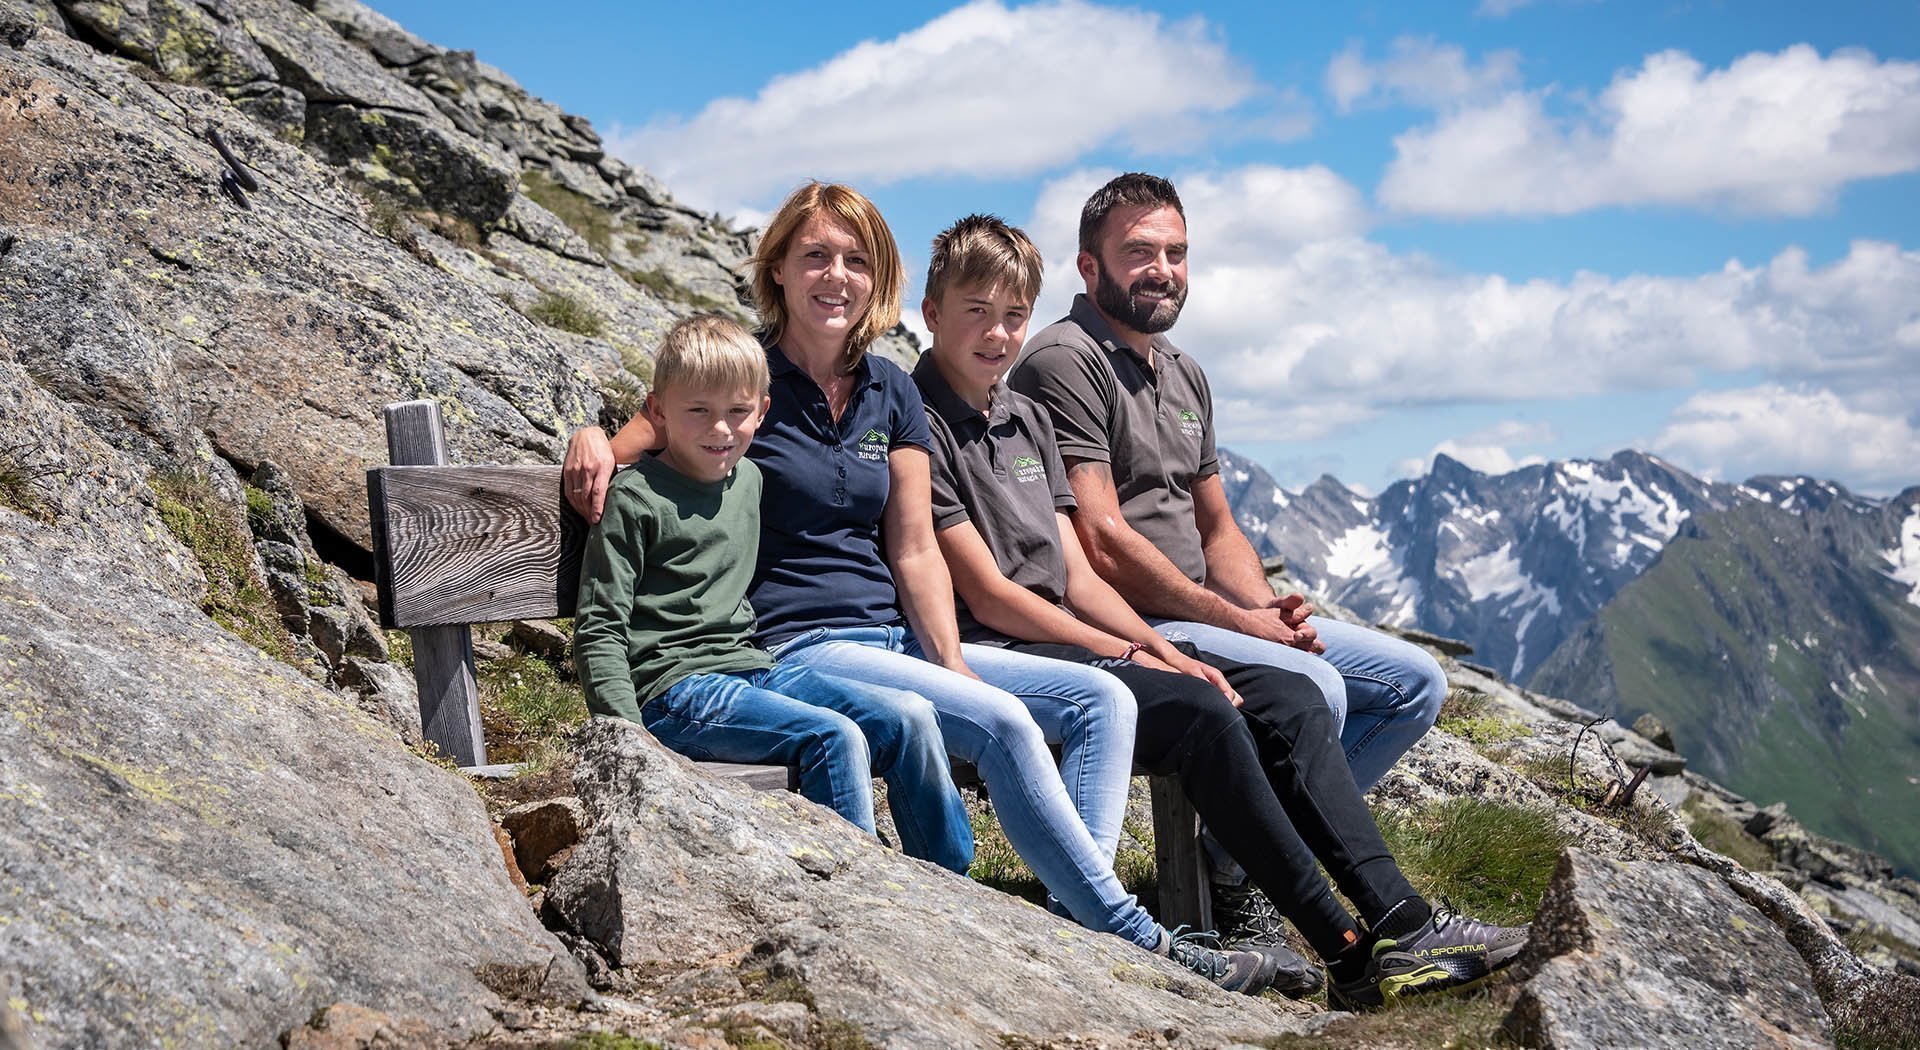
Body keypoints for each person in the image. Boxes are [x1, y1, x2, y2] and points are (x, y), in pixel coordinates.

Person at [564, 183, 1288, 995]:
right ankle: (1127, 937)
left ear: (879, 279)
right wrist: (599, 437)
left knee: (1102, 701)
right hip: (801, 645)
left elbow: (913, 549)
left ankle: (1072, 913)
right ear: (778, 271)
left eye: (856, 260)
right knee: (1007, 724)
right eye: (815, 257)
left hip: (896, 638)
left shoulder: (889, 391)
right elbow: (663, 427)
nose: (835, 277)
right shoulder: (747, 383)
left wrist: (948, 659)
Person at [914, 213, 1528, 1008]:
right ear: (931, 313)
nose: (998, 335)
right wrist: (1134, 651)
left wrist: (1153, 645)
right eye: (977, 314)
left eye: (1012, 316)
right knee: (1202, 706)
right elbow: (993, 594)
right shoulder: (916, 415)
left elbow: (1075, 570)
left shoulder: (1020, 415)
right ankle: (1348, 954)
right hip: (1009, 646)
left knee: (1293, 693)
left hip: (1081, 631)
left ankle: (1401, 923)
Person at [1010, 173, 1451, 940]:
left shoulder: (1184, 373)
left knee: (1416, 682)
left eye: (1177, 253)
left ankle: (1229, 857)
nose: (1163, 269)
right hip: (1137, 616)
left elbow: (1218, 528)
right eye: (1139, 251)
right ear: (1089, 268)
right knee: (1314, 683)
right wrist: (1237, 622)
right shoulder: (1064, 360)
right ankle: (1273, 887)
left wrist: (1261, 610)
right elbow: (1101, 540)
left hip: (1206, 610)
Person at [571, 315, 956, 846]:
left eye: (737, 412)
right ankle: (861, 899)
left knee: (912, 715)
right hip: (672, 690)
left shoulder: (748, 479)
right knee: (834, 737)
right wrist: (626, 740)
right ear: (659, 411)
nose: (721, 429)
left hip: (752, 668)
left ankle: (946, 884)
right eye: (698, 411)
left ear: (762, 411)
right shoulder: (635, 499)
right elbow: (599, 629)